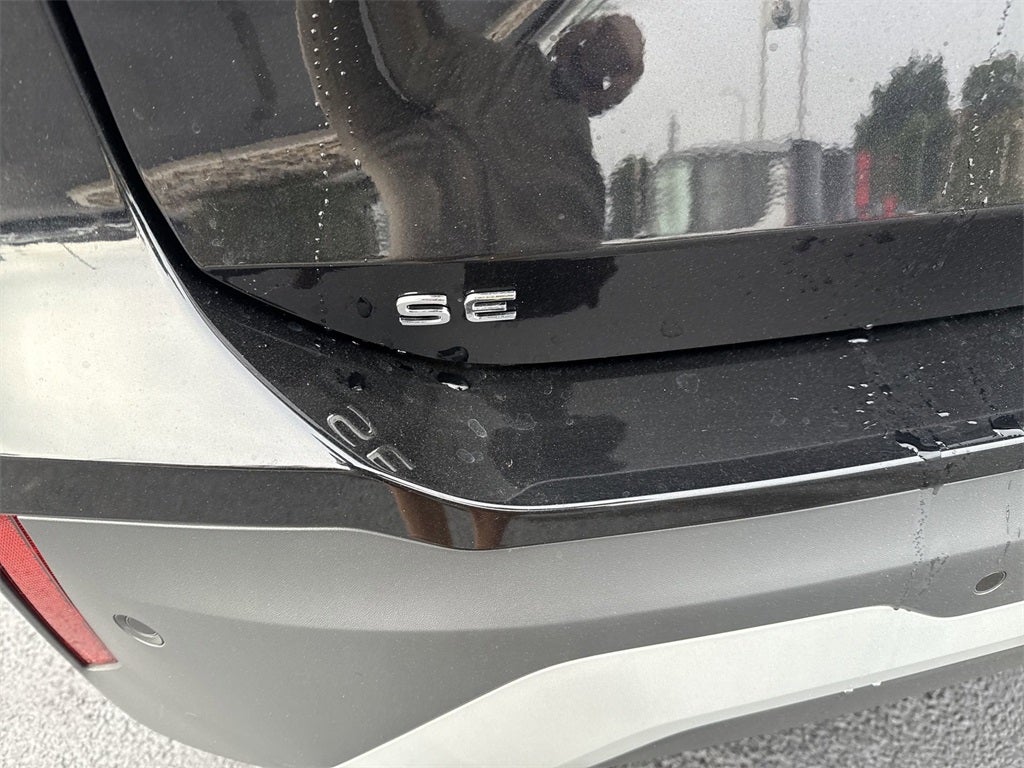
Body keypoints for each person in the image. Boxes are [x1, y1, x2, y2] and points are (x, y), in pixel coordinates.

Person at [296, 0, 644, 261]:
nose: (598, 49)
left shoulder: (518, 85)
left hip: (432, 276)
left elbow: (420, 62)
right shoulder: (580, 178)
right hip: (427, 289)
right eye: (603, 39)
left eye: (603, 39)